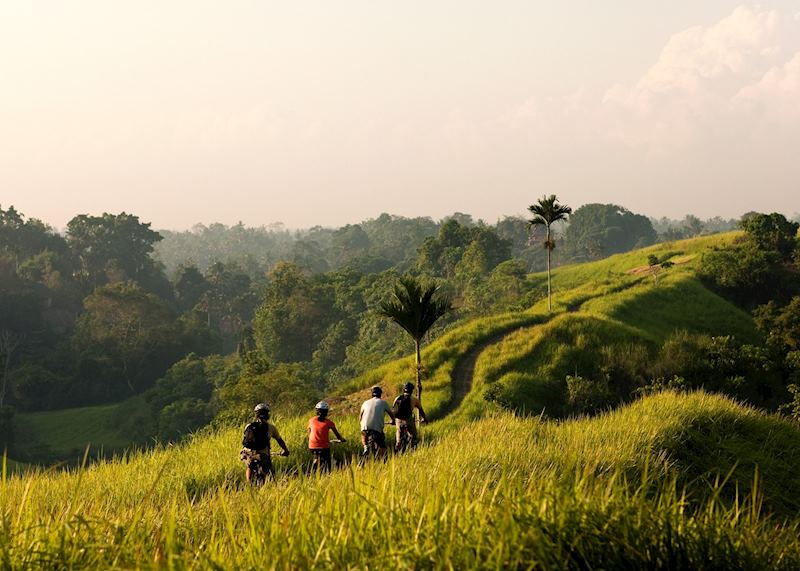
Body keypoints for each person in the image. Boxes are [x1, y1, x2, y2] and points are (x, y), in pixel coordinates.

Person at [240, 402, 289, 484]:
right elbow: (280, 440)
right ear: (267, 415)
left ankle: (249, 484)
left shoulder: (248, 426)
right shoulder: (271, 427)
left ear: (256, 414)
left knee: (249, 466)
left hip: (247, 453)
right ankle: (268, 485)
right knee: (269, 472)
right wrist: (285, 450)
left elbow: (245, 440)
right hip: (262, 455)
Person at [308, 400, 346, 473]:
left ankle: (313, 470)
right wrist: (342, 439)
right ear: (326, 412)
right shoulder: (329, 423)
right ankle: (328, 474)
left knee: (317, 457)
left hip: (312, 446)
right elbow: (337, 435)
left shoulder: (311, 420)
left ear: (317, 411)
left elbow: (309, 433)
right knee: (328, 461)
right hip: (323, 447)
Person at [359, 386, 395, 459]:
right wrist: (393, 421)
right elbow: (391, 414)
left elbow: (360, 416)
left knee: (363, 434)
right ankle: (383, 460)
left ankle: (365, 447)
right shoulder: (383, 402)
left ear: (372, 394)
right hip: (376, 428)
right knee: (382, 446)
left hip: (364, 426)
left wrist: (362, 424)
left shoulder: (365, 402)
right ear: (380, 394)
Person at [392, 382, 427, 451]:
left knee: (398, 430)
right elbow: (421, 410)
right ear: (411, 390)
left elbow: (393, 410)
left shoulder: (397, 398)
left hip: (398, 420)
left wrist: (393, 420)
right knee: (414, 435)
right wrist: (425, 418)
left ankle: (398, 443)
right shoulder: (414, 399)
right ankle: (413, 447)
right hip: (408, 420)